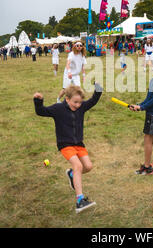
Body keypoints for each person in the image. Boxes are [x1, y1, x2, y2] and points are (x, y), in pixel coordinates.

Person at [33, 83, 103, 213]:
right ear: (67, 99)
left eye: (80, 102)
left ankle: (71, 174)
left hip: (79, 143)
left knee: (88, 167)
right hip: (65, 144)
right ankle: (80, 200)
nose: (78, 105)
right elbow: (41, 111)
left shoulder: (81, 107)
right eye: (75, 102)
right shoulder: (58, 109)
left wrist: (98, 90)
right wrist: (38, 101)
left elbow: (93, 101)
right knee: (78, 166)